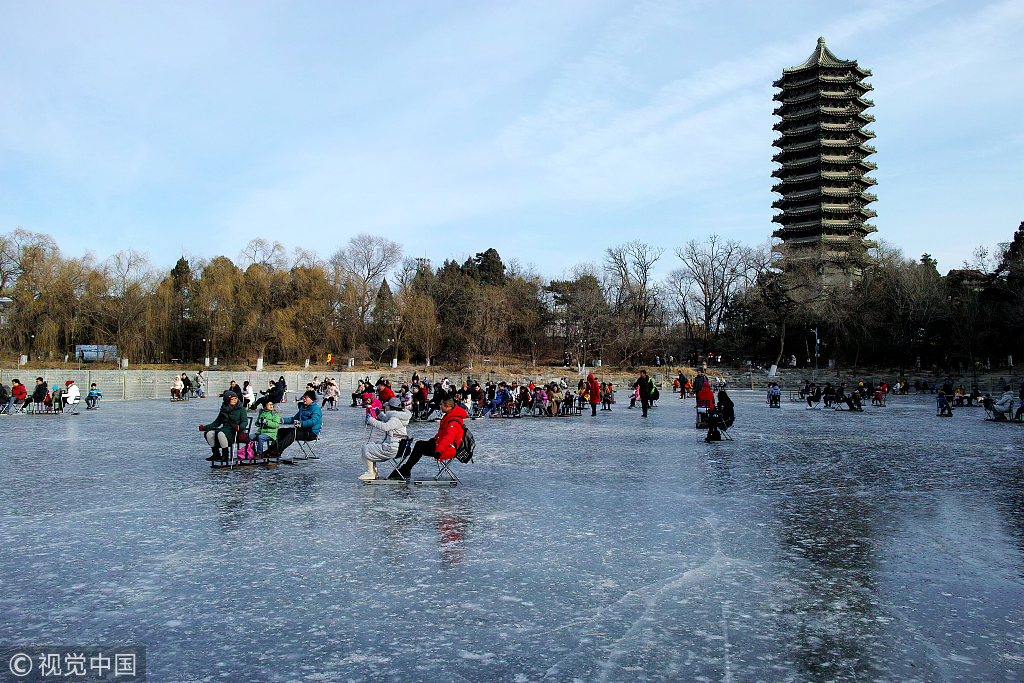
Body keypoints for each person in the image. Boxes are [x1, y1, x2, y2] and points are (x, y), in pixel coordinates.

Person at [389, 395, 466, 480]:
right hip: (443, 445)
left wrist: (439, 450)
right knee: (419, 444)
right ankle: (406, 469)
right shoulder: (449, 416)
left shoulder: (453, 421)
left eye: (441, 405)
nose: (440, 407)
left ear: (447, 406)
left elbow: (448, 437)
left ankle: (406, 470)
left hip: (447, 449)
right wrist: (433, 440)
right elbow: (442, 434)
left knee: (420, 446)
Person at [358, 397, 412, 480]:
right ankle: (374, 471)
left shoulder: (395, 419)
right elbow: (387, 420)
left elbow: (385, 427)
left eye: (388, 406)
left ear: (392, 408)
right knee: (371, 444)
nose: (386, 408)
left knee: (367, 448)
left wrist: (370, 420)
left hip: (391, 448)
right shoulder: (399, 417)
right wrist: (379, 414)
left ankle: (370, 472)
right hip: (396, 446)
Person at [200, 392, 248, 462]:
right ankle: (216, 454)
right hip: (225, 429)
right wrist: (204, 428)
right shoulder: (223, 410)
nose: (235, 400)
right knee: (209, 433)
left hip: (235, 431)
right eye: (232, 399)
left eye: (236, 398)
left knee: (220, 433)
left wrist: (239, 427)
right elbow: (216, 423)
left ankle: (225, 454)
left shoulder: (241, 409)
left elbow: (244, 422)